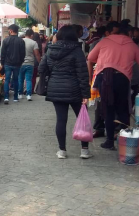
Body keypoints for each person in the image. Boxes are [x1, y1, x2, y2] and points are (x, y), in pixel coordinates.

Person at [38, 25, 92, 159]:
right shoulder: (77, 50)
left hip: (56, 88)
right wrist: (86, 94)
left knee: (61, 120)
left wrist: (53, 75)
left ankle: (62, 151)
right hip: (75, 90)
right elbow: (82, 74)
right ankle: (84, 150)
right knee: (82, 118)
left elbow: (41, 68)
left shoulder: (50, 50)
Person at [88, 21, 139, 150]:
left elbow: (91, 57)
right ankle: (125, 140)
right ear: (128, 33)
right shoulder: (132, 45)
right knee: (123, 109)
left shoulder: (105, 41)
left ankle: (109, 141)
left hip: (105, 78)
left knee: (108, 110)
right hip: (123, 79)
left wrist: (105, 60)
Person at [1, 24, 26, 104]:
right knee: (16, 80)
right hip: (17, 64)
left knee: (7, 80)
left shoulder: (5, 40)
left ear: (11, 31)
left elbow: (3, 53)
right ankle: (15, 97)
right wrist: (21, 61)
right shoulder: (21, 41)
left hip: (7, 63)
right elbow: (23, 53)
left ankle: (6, 97)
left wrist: (2, 63)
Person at [19, 29, 41, 101]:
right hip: (30, 63)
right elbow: (37, 54)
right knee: (28, 80)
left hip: (20, 63)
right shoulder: (34, 42)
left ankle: (20, 94)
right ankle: (28, 95)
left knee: (20, 79)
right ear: (31, 35)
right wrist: (40, 62)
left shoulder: (20, 41)